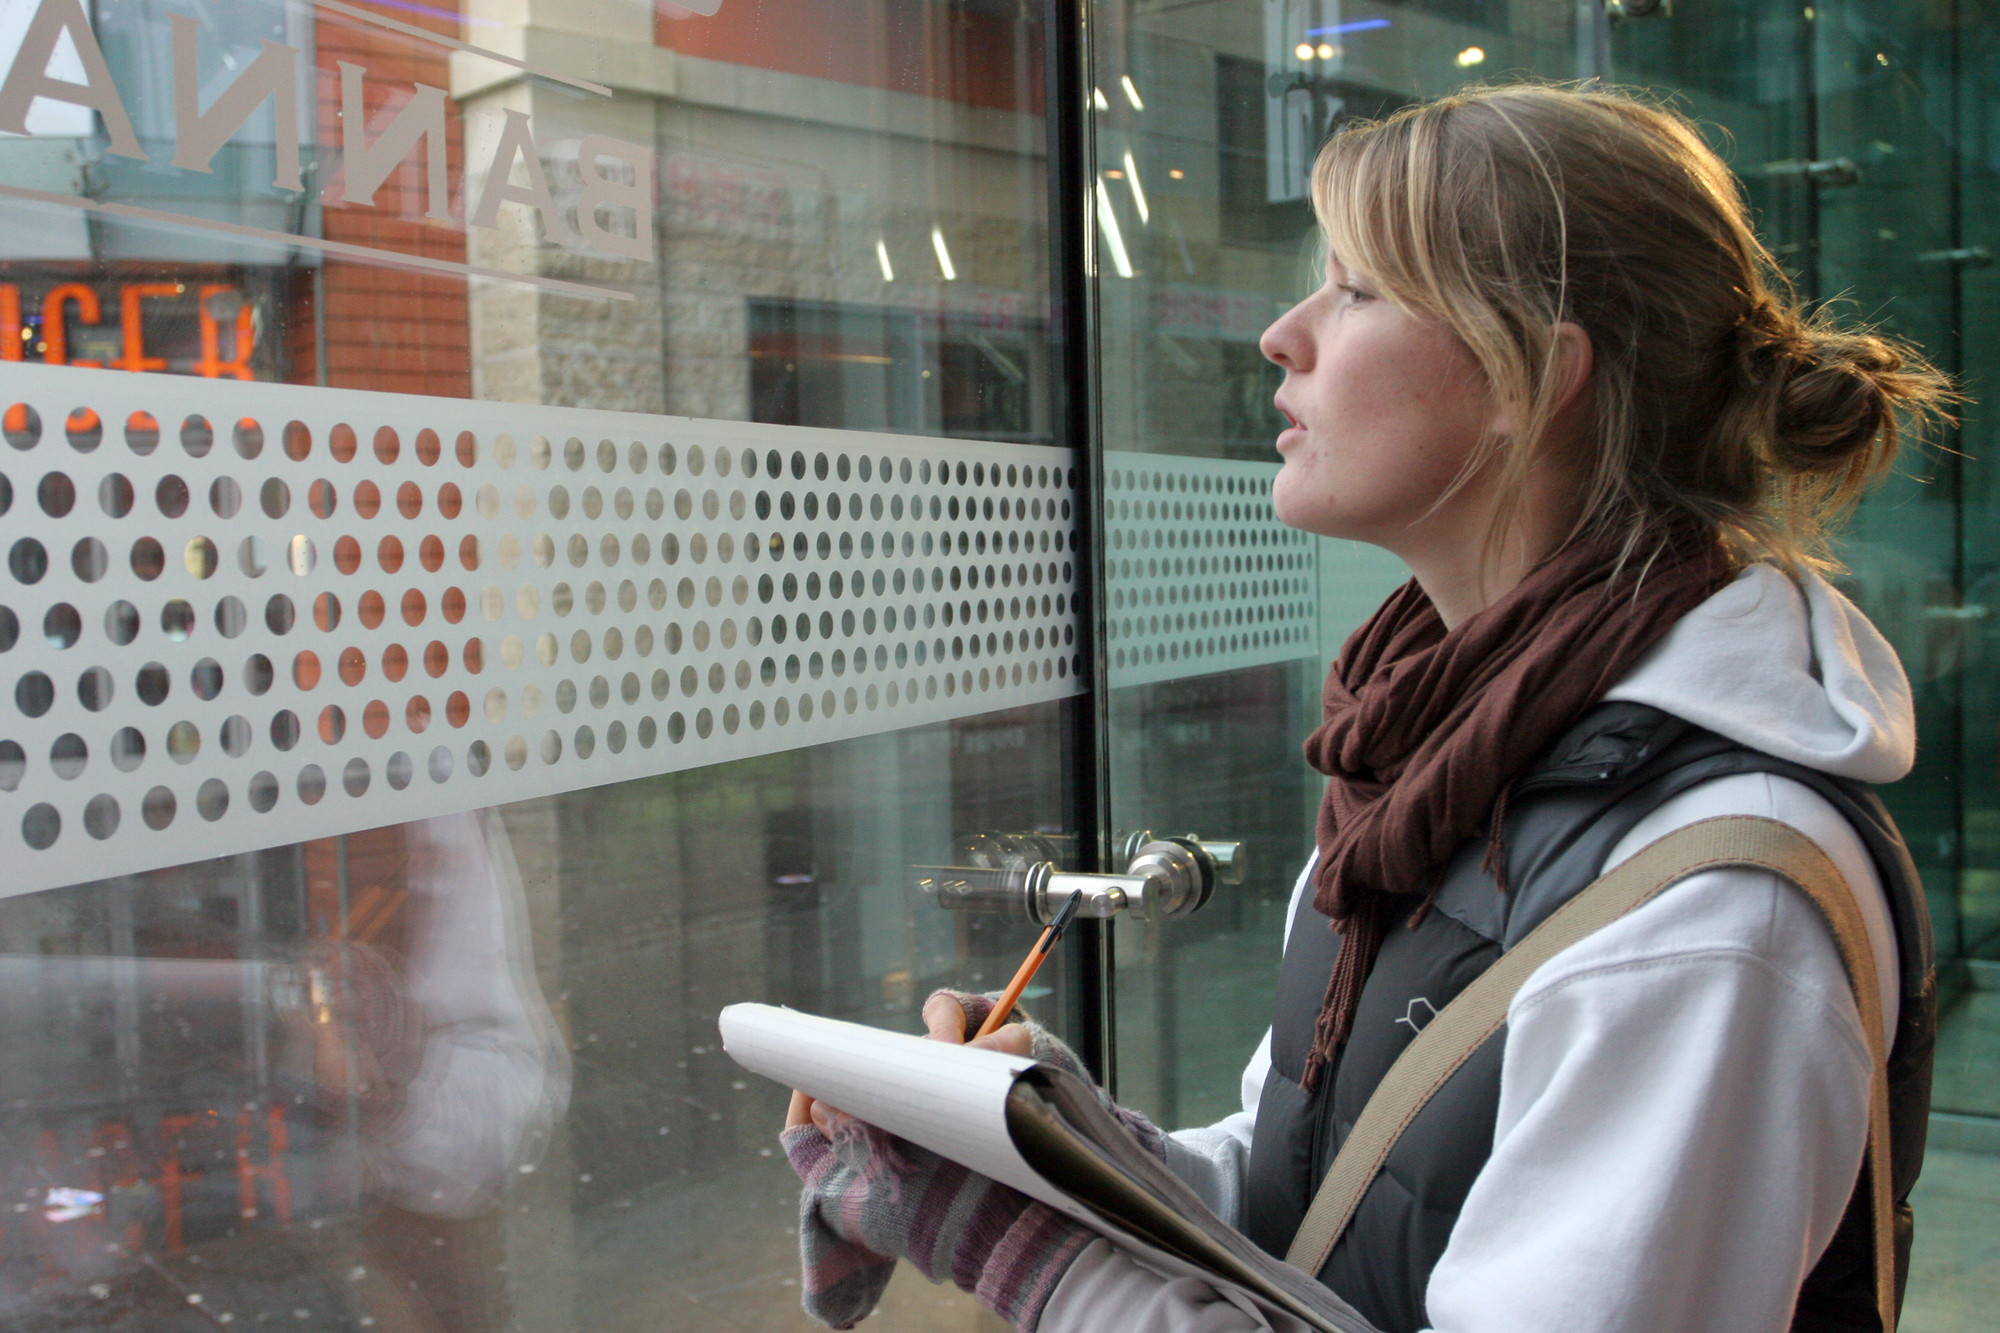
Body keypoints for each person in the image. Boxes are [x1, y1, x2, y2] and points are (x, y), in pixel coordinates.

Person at [778, 83, 1951, 1333]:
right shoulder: (1428, 760)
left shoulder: (1708, 910)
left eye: (1357, 289)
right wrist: (1056, 1148)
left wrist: (1032, 1260)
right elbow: (1313, 1211)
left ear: (1528, 377)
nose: (1283, 335)